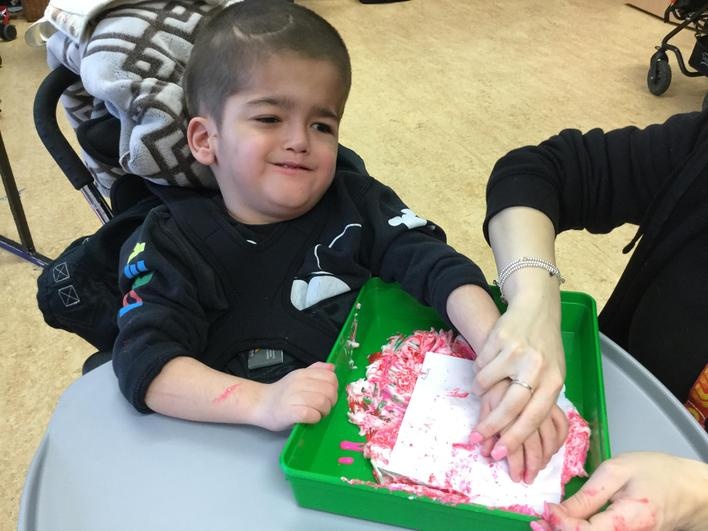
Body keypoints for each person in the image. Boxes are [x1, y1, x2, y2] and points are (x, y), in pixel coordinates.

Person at [111, 0, 566, 481]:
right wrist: (263, 402)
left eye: (321, 125)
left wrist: (499, 356)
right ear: (206, 139)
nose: (299, 139)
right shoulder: (170, 243)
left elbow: (440, 268)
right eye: (269, 118)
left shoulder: (359, 204)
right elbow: (145, 364)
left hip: (358, 445)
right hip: (228, 458)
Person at [478, 110, 708, 529]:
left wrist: (698, 498)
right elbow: (538, 170)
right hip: (609, 427)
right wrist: (536, 299)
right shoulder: (698, 151)